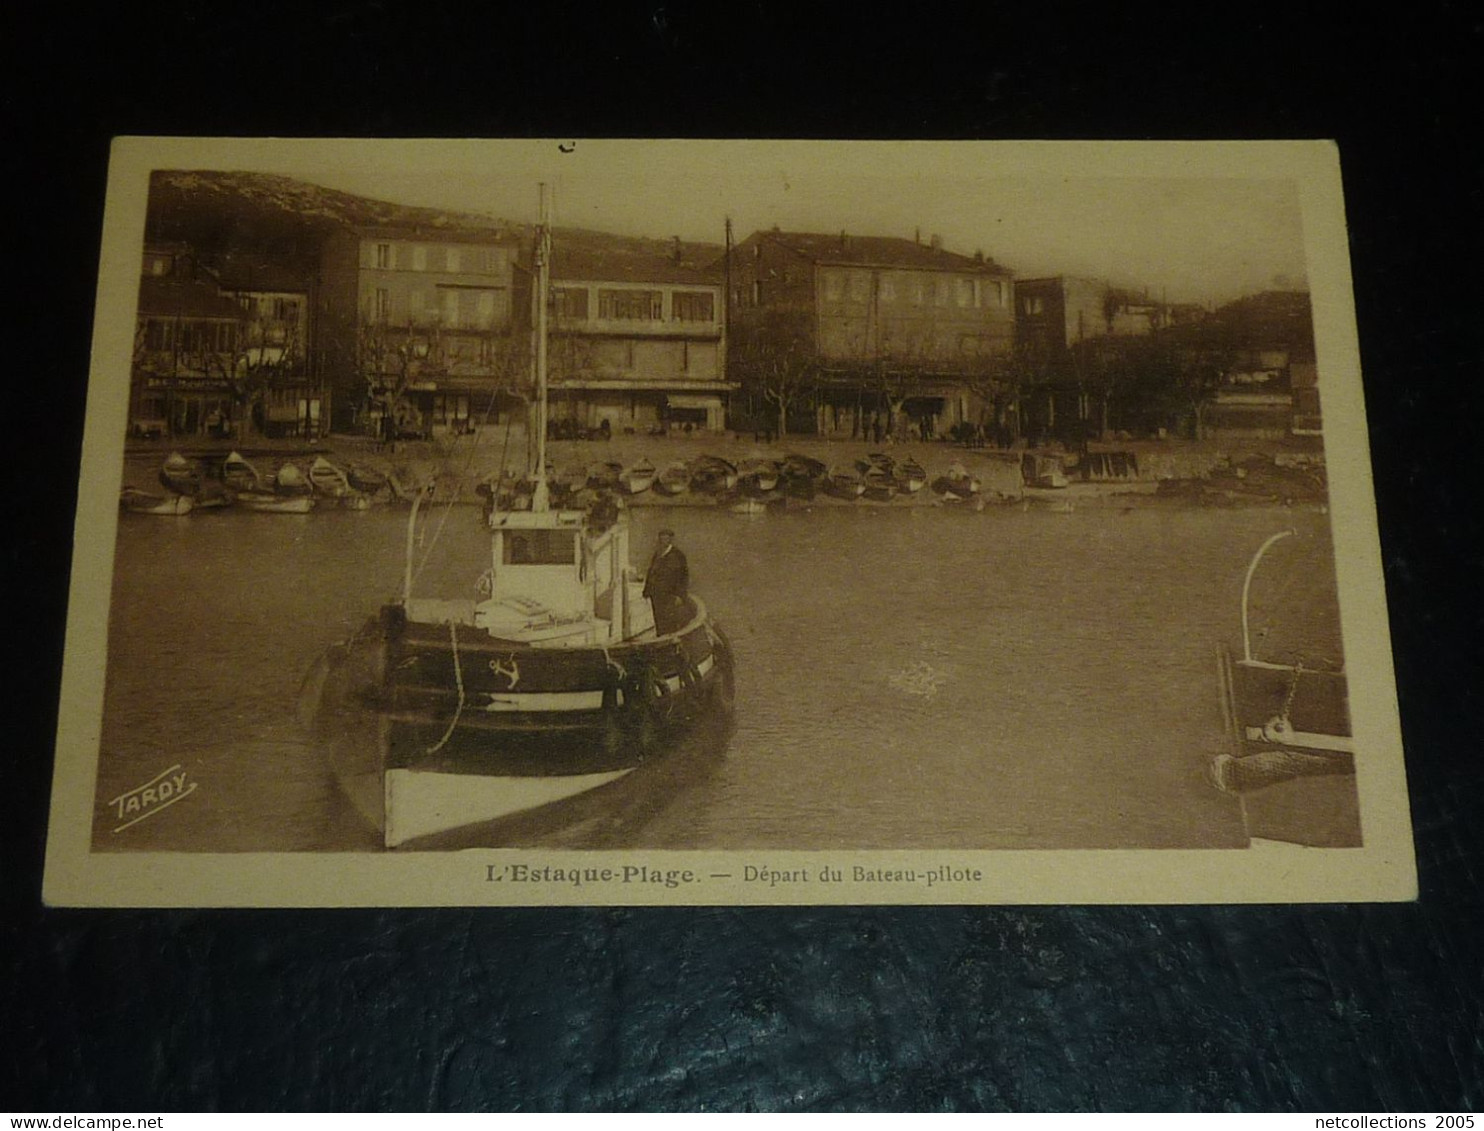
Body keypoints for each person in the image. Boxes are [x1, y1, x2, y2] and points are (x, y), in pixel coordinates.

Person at [642, 528, 689, 635]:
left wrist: (680, 595)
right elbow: (651, 572)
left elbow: (684, 577)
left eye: (665, 539)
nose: (662, 541)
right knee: (658, 618)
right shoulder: (658, 554)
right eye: (661, 539)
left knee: (669, 619)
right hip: (656, 594)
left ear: (670, 540)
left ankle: (670, 638)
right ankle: (661, 636)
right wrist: (646, 590)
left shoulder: (678, 556)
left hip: (670, 595)